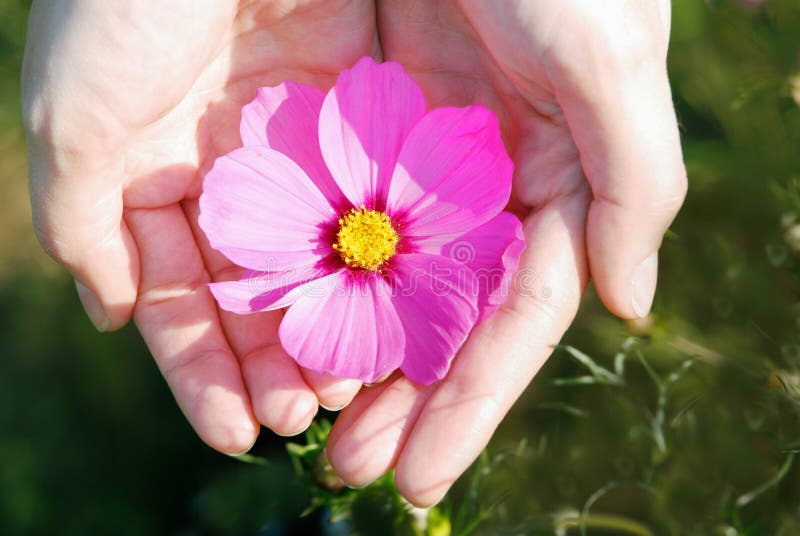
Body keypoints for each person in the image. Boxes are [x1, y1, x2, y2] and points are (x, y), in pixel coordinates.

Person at [22, 0, 686, 507]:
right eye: (362, 234)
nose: (364, 237)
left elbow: (464, 268)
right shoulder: (346, 223)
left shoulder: (413, 229)